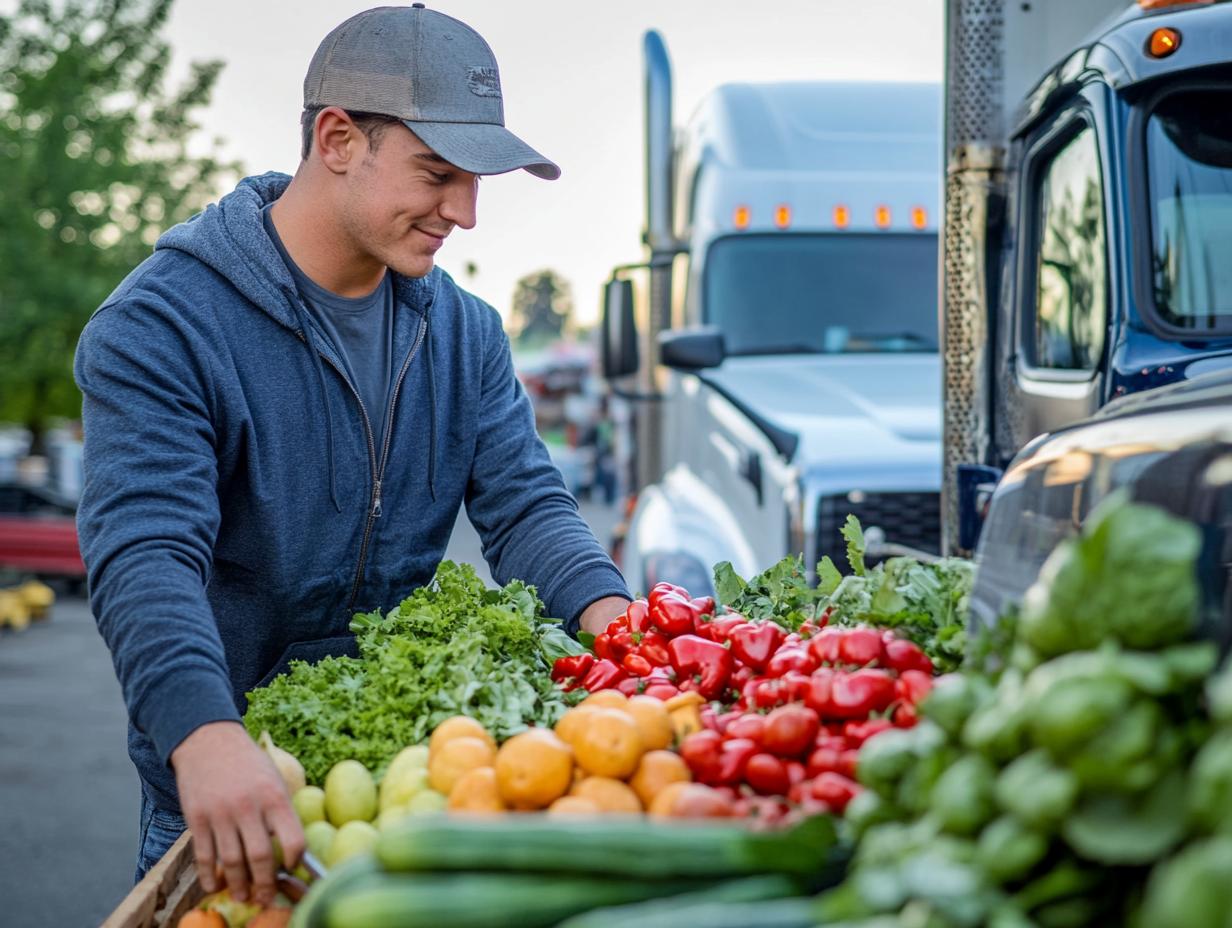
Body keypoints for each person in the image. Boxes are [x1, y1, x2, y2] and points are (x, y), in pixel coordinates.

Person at [73, 4, 631, 905]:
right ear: (337, 138)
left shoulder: (466, 333)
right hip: (234, 782)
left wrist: (631, 633)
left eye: (476, 181)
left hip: (416, 771)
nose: (467, 213)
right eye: (439, 174)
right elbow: (144, 553)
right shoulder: (162, 326)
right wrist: (202, 734)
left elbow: (527, 509)